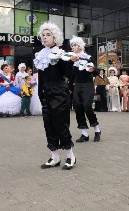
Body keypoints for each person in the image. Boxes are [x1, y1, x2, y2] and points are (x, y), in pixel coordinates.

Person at [33, 22, 76, 170]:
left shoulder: (61, 53)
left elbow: (69, 75)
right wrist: (41, 95)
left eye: (48, 35)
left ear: (55, 37)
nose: (44, 37)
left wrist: (70, 62)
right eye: (43, 35)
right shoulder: (41, 54)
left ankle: (70, 156)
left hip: (59, 91)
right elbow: (42, 78)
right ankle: (54, 157)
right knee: (48, 125)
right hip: (46, 92)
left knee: (60, 124)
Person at [68, 35, 102, 143]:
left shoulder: (87, 57)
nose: (73, 47)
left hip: (88, 85)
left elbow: (97, 71)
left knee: (87, 106)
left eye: (75, 45)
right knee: (77, 107)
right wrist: (69, 88)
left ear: (80, 46)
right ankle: (84, 133)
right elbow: (70, 75)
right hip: (77, 85)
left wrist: (93, 69)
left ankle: (97, 129)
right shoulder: (72, 58)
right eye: (72, 45)